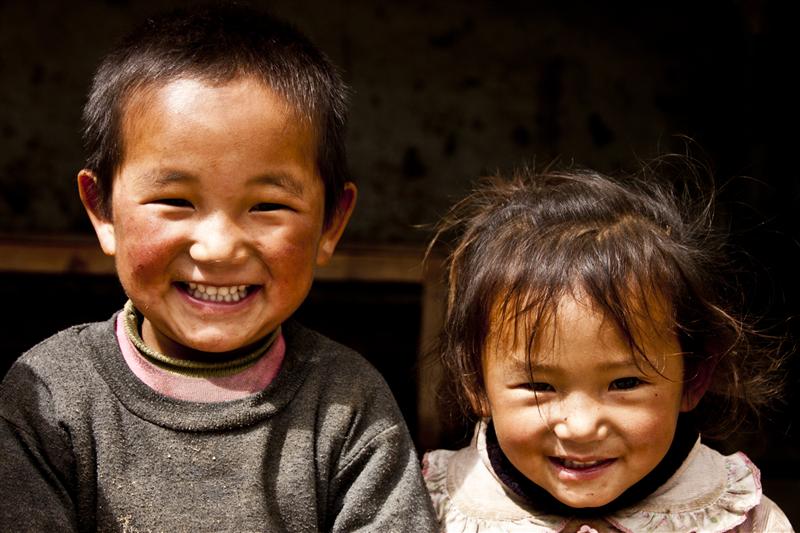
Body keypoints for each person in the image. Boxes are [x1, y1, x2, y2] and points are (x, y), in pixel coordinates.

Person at [0, 4, 436, 531]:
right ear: (102, 209)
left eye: (267, 207)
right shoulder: (50, 397)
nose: (218, 248)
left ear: (330, 224)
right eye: (175, 200)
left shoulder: (348, 405)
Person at [422, 161, 794, 532]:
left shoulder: (744, 521)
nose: (581, 428)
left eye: (625, 383)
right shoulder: (435, 511)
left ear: (693, 377)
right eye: (539, 385)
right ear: (475, 381)